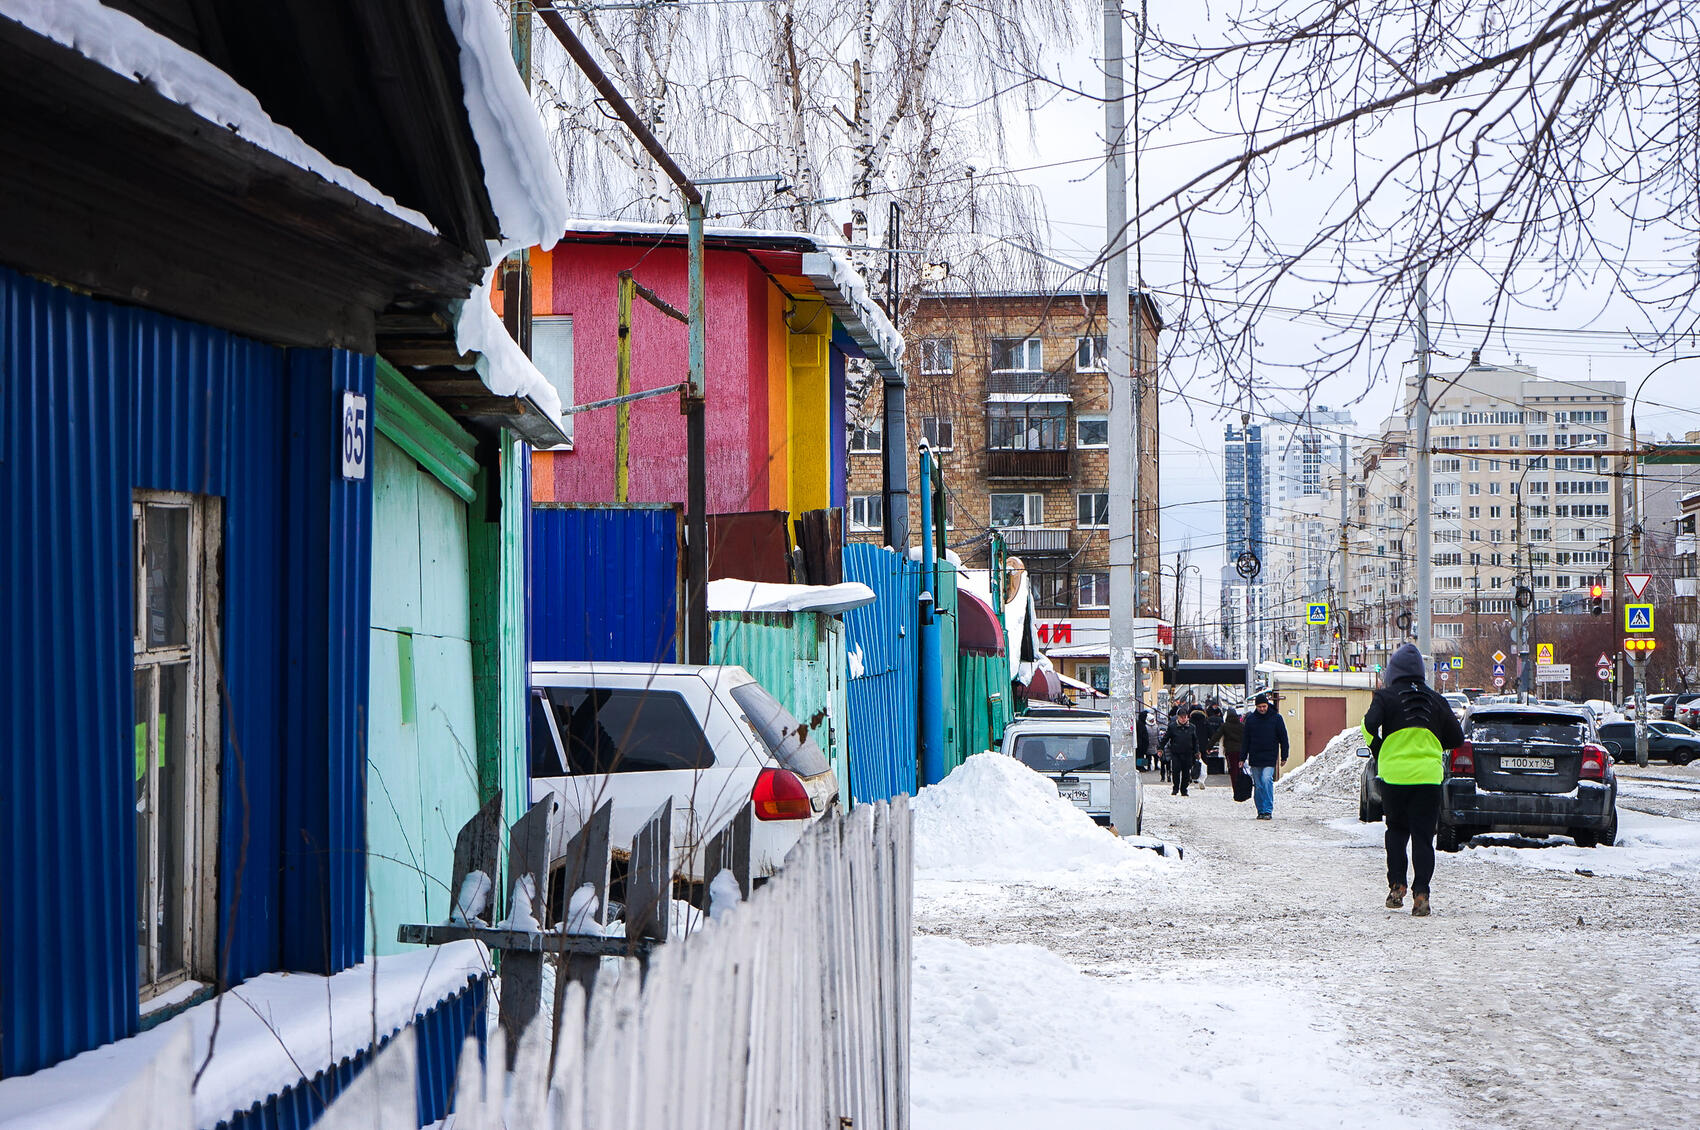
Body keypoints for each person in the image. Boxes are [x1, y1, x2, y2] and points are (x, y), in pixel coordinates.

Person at [1362, 642, 1465, 917]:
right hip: (1428, 779)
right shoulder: (1436, 699)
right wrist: (1431, 742)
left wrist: (1379, 748)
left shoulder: (1385, 697)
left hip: (1395, 777)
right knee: (1422, 837)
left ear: (1393, 671)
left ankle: (1397, 885)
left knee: (1396, 831)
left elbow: (1367, 725)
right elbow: (1457, 738)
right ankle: (1422, 894)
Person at [1241, 693, 1290, 819]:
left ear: (1267, 705)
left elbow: (1283, 738)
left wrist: (1284, 755)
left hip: (1270, 756)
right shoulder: (1251, 720)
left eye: (1264, 706)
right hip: (1255, 757)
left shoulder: (1276, 718)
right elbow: (1246, 740)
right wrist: (1242, 757)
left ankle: (1268, 810)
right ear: (1256, 706)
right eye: (1259, 707)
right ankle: (1261, 810)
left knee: (1266, 780)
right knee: (1258, 785)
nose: (1262, 709)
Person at [1159, 707, 1201, 796]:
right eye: (1181, 717)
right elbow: (1165, 738)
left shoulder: (1192, 727)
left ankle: (1184, 789)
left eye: (1185, 717)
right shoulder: (1172, 727)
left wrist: (1197, 752)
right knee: (1175, 771)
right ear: (1178, 717)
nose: (1183, 719)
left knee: (1186, 772)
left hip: (1188, 753)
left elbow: (1195, 741)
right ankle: (1175, 788)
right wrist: (1160, 748)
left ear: (1187, 717)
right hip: (1176, 753)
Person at [1218, 706, 1248, 801]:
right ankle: (1241, 790)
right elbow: (1246, 737)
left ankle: (1236, 791)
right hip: (1240, 751)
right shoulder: (1242, 725)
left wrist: (1209, 747)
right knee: (1239, 770)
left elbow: (1217, 736)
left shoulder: (1225, 726)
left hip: (1230, 752)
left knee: (1233, 771)